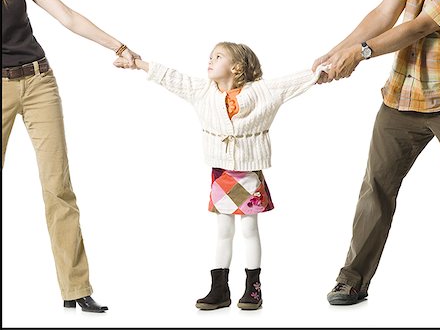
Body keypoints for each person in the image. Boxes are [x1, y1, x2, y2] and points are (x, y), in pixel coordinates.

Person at [114, 42, 330, 310]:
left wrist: (316, 74)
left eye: (217, 56)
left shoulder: (261, 92)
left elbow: (288, 84)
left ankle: (253, 289)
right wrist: (139, 64)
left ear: (236, 67)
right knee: (224, 230)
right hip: (222, 173)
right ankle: (219, 289)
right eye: (210, 56)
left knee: (249, 229)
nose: (209, 59)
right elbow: (172, 77)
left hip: (249, 171)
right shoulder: (203, 91)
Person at [2, 0, 140, 312]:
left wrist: (119, 47)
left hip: (39, 82)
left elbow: (67, 16)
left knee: (58, 189)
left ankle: (76, 288)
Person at [311, 0, 440, 305]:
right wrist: (335, 54)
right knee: (376, 188)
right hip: (402, 98)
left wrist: (359, 54)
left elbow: (418, 27)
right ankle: (352, 281)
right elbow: (384, 12)